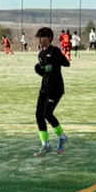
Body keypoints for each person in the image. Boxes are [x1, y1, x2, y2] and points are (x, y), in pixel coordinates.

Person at [32, 26, 70, 156]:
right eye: (39, 37)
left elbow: (66, 63)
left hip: (56, 88)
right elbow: (45, 73)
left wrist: (55, 60)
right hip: (44, 88)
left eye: (42, 37)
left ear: (49, 38)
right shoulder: (41, 54)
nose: (40, 39)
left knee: (47, 113)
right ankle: (45, 144)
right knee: (39, 115)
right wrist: (39, 70)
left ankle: (62, 137)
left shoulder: (55, 50)